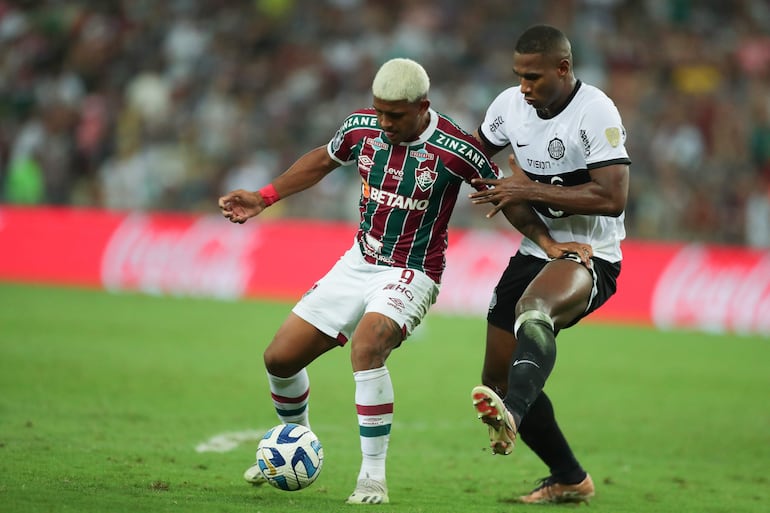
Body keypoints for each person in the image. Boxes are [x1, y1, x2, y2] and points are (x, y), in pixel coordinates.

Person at [218, 57, 592, 505]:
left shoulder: (456, 148)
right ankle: (296, 445)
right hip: (359, 260)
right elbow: (323, 159)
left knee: (367, 348)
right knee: (279, 359)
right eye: (379, 112)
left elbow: (501, 196)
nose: (384, 123)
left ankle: (372, 477)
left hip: (413, 272)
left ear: (422, 106)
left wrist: (547, 244)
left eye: (395, 115)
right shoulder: (361, 128)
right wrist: (264, 197)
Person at [467, 25, 630, 504]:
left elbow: (613, 197)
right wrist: (540, 235)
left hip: (591, 256)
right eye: (518, 75)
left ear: (563, 68)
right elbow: (479, 168)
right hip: (540, 249)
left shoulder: (595, 111)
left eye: (534, 77)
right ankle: (569, 477)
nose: (524, 86)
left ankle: (513, 415)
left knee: (533, 310)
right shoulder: (508, 108)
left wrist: (527, 189)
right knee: (494, 378)